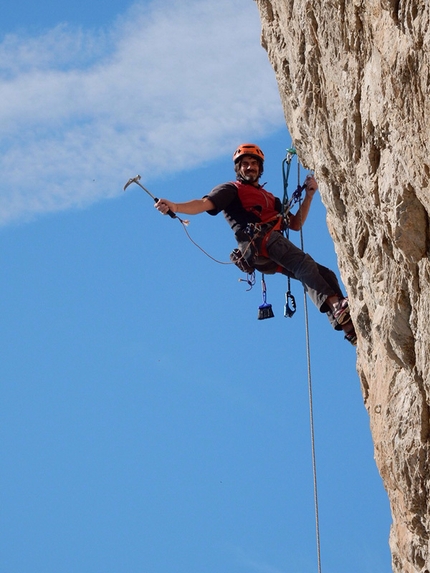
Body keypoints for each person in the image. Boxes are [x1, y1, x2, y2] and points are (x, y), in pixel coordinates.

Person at [155, 143, 357, 345]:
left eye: (253, 163)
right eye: (244, 164)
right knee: (303, 264)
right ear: (238, 169)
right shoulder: (231, 189)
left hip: (265, 254)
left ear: (260, 168)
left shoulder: (272, 199)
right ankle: (337, 306)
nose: (249, 167)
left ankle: (348, 329)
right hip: (261, 241)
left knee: (325, 274)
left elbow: (295, 224)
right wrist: (175, 206)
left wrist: (309, 196)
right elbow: (203, 203)